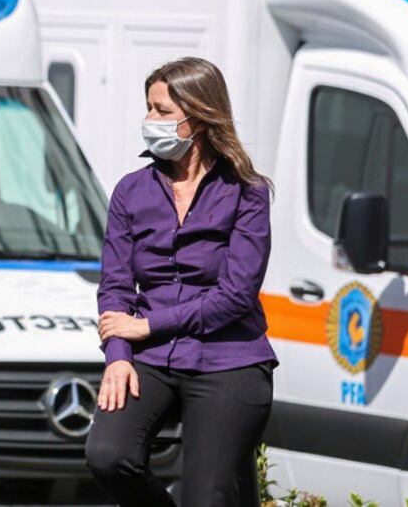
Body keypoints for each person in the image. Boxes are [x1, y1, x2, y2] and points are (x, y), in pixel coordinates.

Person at [84, 57, 277, 506]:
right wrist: (118, 356)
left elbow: (236, 295)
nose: (149, 119)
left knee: (208, 495)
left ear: (200, 118)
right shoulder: (130, 191)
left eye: (162, 110)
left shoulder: (247, 192)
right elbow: (115, 286)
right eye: (149, 107)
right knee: (107, 455)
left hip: (229, 357)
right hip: (150, 357)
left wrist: (147, 325)